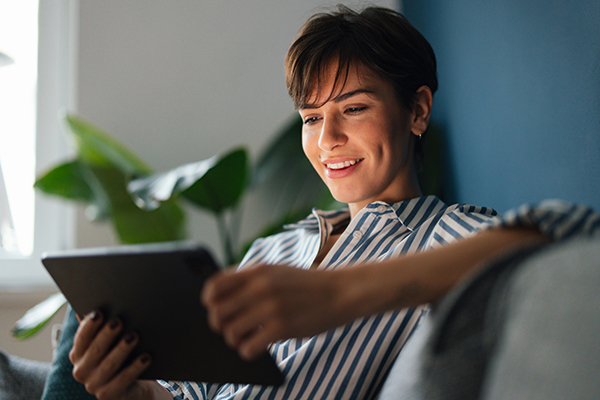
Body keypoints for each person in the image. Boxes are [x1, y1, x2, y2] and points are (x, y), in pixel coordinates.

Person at [67, 5, 598, 400]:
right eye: (312, 118)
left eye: (355, 108)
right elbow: (197, 393)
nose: (327, 140)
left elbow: (573, 230)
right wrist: (134, 392)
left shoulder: (447, 236)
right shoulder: (274, 250)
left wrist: (342, 292)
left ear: (416, 111)